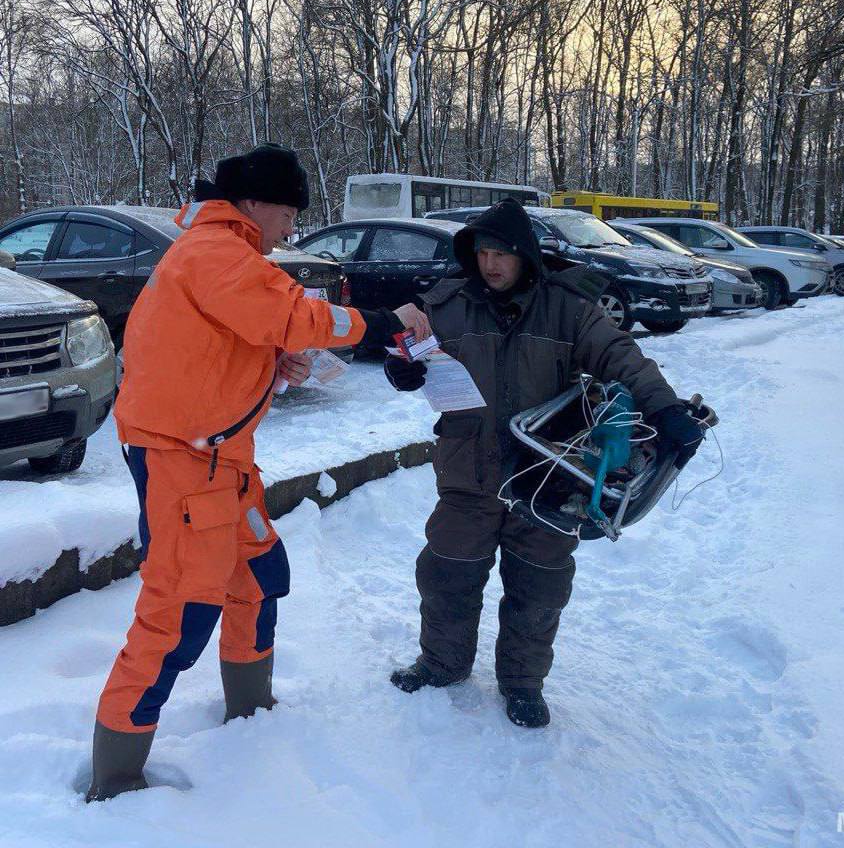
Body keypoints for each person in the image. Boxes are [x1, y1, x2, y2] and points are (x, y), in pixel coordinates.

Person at [87, 143, 429, 801]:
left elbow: (224, 342)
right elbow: (292, 313)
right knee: (175, 619)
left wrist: (272, 365)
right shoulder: (216, 252)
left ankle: (251, 712)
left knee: (260, 579)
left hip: (224, 462)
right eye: (288, 214)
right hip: (183, 465)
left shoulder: (222, 256)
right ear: (253, 203)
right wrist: (381, 323)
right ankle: (117, 778)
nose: (292, 230)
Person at [384, 198, 705, 728]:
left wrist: (665, 409)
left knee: (539, 586)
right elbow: (409, 353)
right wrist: (403, 371)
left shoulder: (568, 306)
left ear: (525, 256)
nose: (491, 265)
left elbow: (622, 358)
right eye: (483, 252)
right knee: (447, 574)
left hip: (547, 474)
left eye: (503, 254)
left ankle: (522, 684)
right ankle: (441, 664)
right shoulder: (447, 304)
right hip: (468, 468)